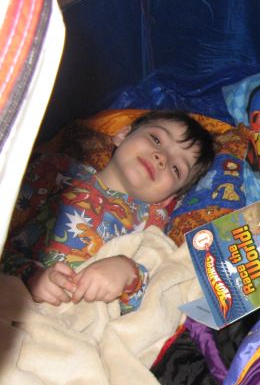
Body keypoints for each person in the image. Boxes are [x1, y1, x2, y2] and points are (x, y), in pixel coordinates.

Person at [2, 110, 215, 310]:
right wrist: (30, 277)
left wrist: (129, 275)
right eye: (156, 139)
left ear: (170, 198)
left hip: (80, 323)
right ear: (123, 135)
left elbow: (157, 296)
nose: (162, 158)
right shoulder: (59, 170)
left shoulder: (154, 225)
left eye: (176, 168)